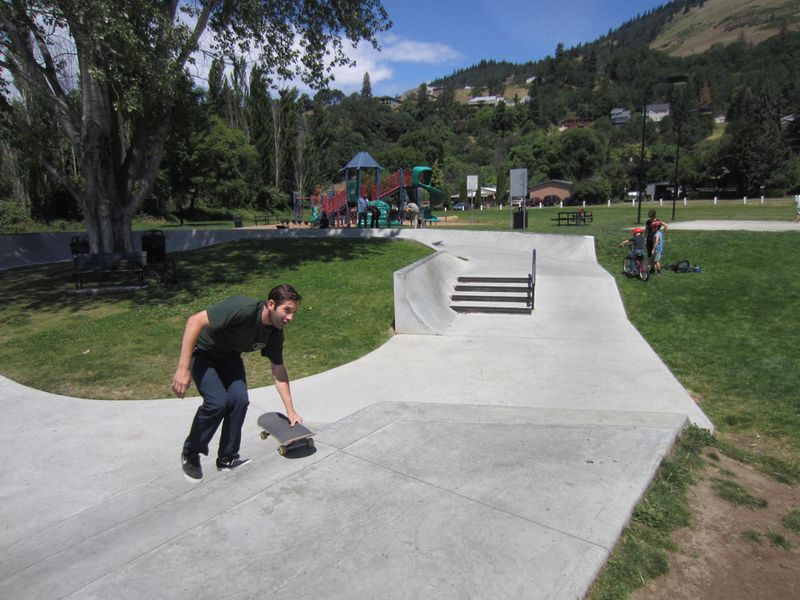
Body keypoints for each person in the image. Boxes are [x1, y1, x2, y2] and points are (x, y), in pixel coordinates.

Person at [172, 285, 302, 483]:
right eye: (287, 310)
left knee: (239, 400)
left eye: (293, 312)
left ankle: (227, 457)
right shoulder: (243, 307)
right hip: (203, 352)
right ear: (271, 304)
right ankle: (190, 453)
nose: (290, 317)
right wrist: (183, 368)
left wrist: (291, 411)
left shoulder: (274, 333)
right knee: (217, 402)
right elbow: (195, 321)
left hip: (229, 357)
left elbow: (278, 370)